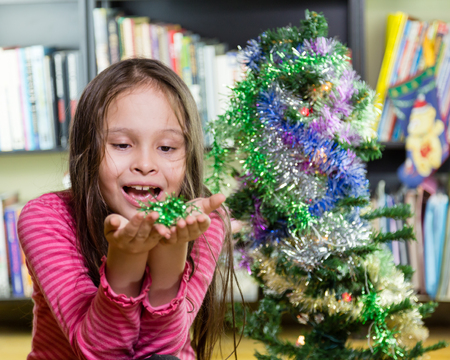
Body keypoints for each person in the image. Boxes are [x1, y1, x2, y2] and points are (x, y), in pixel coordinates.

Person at [17, 58, 238, 360]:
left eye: (167, 148)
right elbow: (101, 353)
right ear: (87, 150)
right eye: (122, 145)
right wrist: (127, 259)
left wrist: (171, 256)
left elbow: (159, 353)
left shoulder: (204, 223)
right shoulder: (46, 218)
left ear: (188, 158)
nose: (145, 164)